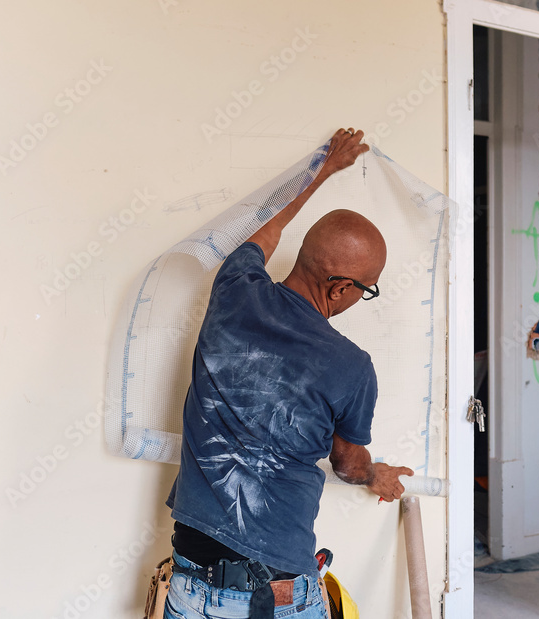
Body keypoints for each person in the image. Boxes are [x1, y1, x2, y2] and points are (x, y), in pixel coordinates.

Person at [162, 128, 414, 619]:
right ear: (340, 287)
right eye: (368, 289)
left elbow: (267, 229)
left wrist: (324, 171)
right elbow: (347, 464)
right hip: (272, 597)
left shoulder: (234, 286)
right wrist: (375, 472)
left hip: (189, 586)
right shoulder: (352, 367)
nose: (362, 298)